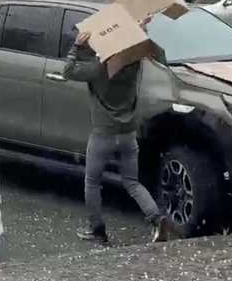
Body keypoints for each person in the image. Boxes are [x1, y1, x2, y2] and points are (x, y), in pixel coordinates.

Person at [63, 16, 175, 244]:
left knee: (92, 181)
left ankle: (97, 229)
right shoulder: (133, 65)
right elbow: (159, 55)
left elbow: (68, 71)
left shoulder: (98, 69)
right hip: (128, 133)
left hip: (103, 132)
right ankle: (155, 218)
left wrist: (77, 46)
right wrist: (139, 33)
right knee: (132, 181)